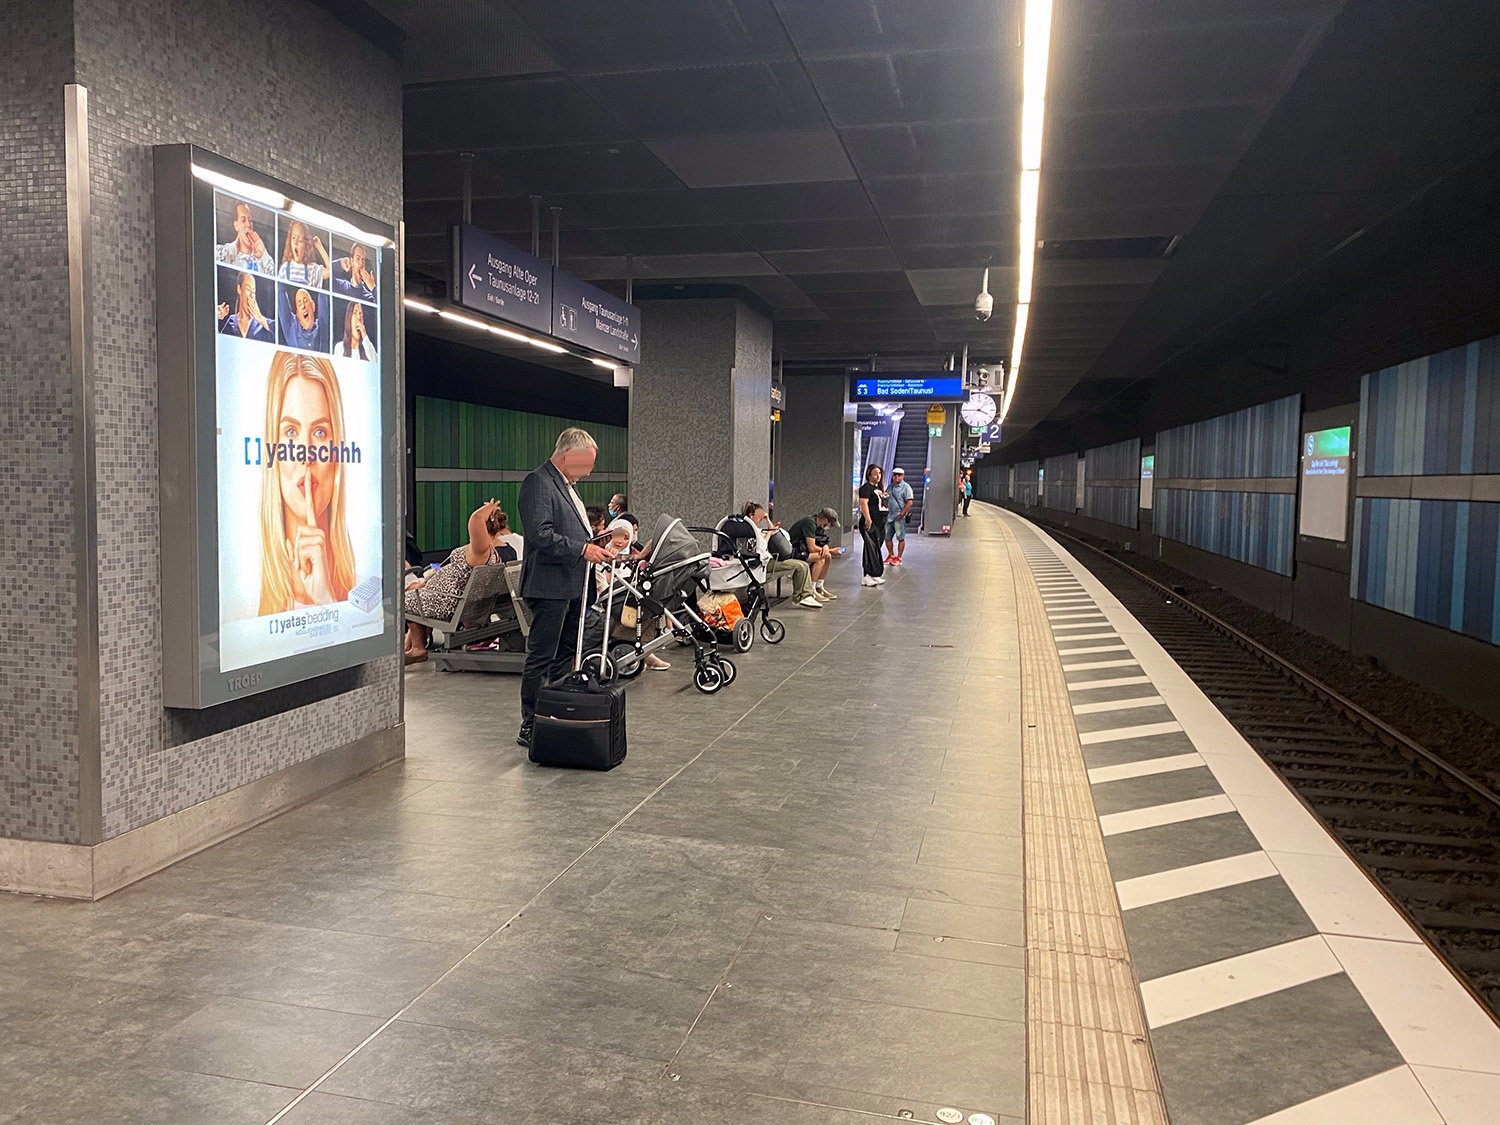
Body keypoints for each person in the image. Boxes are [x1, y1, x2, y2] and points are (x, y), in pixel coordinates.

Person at [515, 428, 616, 748]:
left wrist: (596, 545)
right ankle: (530, 723)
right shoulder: (538, 482)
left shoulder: (567, 487)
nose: (589, 471)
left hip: (573, 586)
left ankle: (554, 715)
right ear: (568, 454)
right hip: (549, 586)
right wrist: (583, 549)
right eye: (586, 462)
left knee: (565, 655)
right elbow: (540, 534)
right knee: (541, 656)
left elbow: (572, 533)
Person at [257, 352, 357, 615]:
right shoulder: (244, 608)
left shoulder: (367, 591)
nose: (306, 453)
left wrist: (326, 600)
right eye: (291, 432)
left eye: (320, 432)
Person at [403, 500, 513, 661]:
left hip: (450, 605)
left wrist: (489, 508)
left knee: (407, 598)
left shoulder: (481, 553)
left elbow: (475, 519)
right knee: (419, 593)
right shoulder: (501, 551)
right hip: (456, 601)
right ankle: (410, 644)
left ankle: (418, 648)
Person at [741, 501, 820, 608]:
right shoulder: (751, 531)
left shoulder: (754, 529)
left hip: (766, 561)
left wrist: (767, 520)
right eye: (759, 516)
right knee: (800, 566)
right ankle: (802, 596)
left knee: (803, 565)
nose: (760, 519)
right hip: (761, 564)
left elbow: (772, 531)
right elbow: (761, 547)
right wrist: (769, 532)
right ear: (751, 516)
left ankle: (805, 595)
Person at [785, 506, 842, 600]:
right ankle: (811, 589)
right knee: (821, 558)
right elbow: (812, 548)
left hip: (803, 549)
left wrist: (826, 547)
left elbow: (821, 540)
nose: (830, 526)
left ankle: (819, 586)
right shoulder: (810, 523)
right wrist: (831, 551)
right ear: (825, 520)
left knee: (827, 556)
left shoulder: (820, 526)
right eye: (831, 524)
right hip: (795, 550)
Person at [216, 201, 274, 272]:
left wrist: (263, 255)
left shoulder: (263, 259)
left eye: (250, 220)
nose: (248, 224)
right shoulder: (222, 252)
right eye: (243, 220)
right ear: (236, 225)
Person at [217, 270, 273, 342]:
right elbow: (220, 342)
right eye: (248, 289)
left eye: (254, 291)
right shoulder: (230, 322)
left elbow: (282, 333)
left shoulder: (261, 325)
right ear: (239, 289)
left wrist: (260, 318)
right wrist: (215, 316)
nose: (251, 295)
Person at [857, 465, 888, 587]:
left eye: (879, 473)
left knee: (876, 548)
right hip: (871, 522)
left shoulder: (878, 489)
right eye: (875, 473)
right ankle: (866, 575)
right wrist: (868, 518)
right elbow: (863, 503)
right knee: (870, 548)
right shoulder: (866, 488)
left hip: (880, 522)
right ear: (869, 475)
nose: (878, 476)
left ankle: (874, 573)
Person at [278, 221, 330, 288]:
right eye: (293, 238)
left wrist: (319, 246)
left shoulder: (312, 269)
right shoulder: (284, 268)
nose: (295, 243)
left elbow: (330, 272)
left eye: (300, 240)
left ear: (306, 246)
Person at [884, 466, 915, 565]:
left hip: (899, 516)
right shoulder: (890, 487)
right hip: (889, 516)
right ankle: (891, 555)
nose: (897, 476)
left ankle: (899, 557)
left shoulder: (906, 487)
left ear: (903, 476)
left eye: (899, 475)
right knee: (887, 537)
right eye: (895, 475)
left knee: (900, 537)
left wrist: (902, 514)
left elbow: (909, 502)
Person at [280, 287, 326, 351]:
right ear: (298, 314)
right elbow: (280, 292)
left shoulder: (322, 327)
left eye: (305, 301)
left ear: (313, 306)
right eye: (299, 304)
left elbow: (325, 292)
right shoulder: (292, 329)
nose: (303, 306)